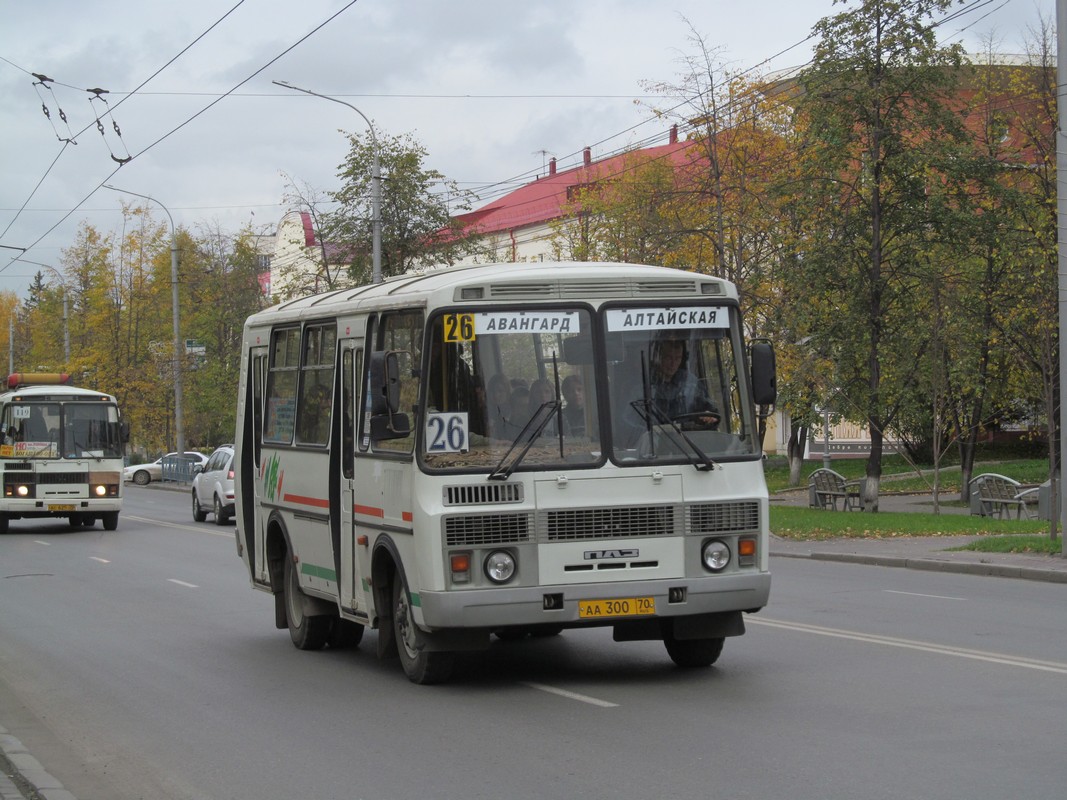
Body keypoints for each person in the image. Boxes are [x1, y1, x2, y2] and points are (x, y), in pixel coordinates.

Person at [647, 339, 719, 428]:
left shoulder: (691, 383)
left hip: (688, 439)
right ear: (658, 357)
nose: (673, 364)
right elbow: (632, 422)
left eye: (678, 358)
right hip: (654, 439)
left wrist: (708, 415)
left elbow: (709, 409)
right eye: (669, 358)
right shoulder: (645, 384)